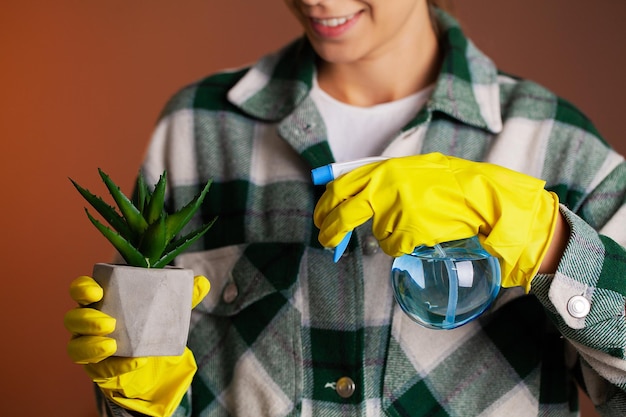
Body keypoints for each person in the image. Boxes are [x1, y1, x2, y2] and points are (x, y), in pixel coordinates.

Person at [64, 0, 626, 416]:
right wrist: (138, 398)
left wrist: (546, 240)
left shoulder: (558, 145)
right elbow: (141, 384)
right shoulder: (195, 130)